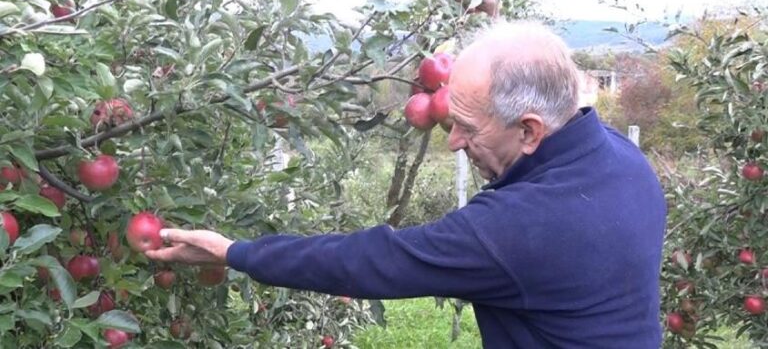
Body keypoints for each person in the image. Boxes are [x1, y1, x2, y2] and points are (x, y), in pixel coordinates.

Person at [146, 20, 667, 348]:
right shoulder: (622, 160)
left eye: (467, 126)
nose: (453, 142)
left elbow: (372, 261)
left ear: (530, 129)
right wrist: (489, 15)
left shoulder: (518, 228)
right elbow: (546, 74)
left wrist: (235, 252)